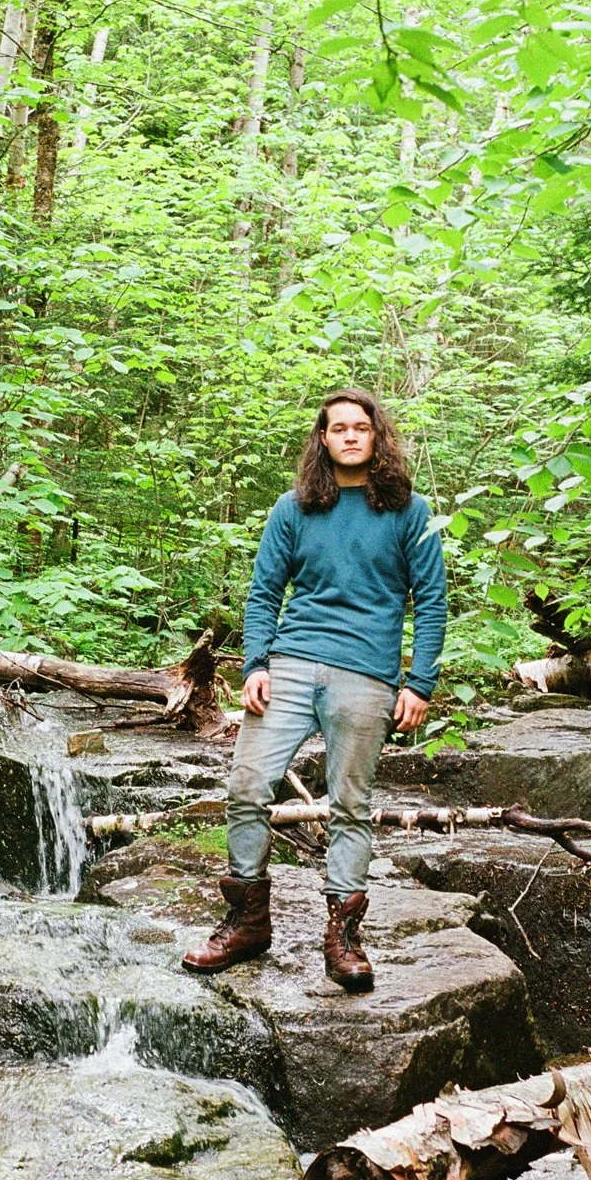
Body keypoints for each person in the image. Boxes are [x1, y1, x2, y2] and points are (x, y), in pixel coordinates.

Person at [183, 388, 447, 991]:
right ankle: (247, 922)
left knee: (350, 804)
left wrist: (420, 682)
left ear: (377, 437)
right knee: (248, 784)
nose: (351, 436)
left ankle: (344, 936)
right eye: (339, 429)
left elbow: (431, 603)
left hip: (368, 672)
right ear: (322, 439)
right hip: (293, 662)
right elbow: (263, 591)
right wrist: (255, 664)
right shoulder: (294, 507)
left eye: (362, 427)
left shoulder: (409, 511)